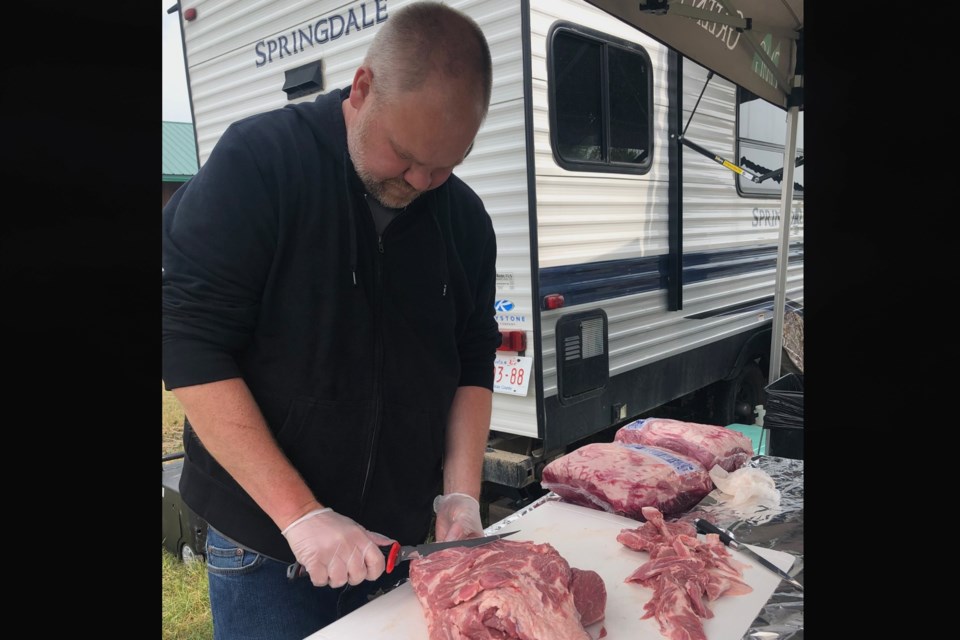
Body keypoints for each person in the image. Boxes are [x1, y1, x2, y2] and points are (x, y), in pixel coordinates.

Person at [161, 3, 500, 638]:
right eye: (406, 154)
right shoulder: (260, 164)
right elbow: (186, 340)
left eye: (450, 161)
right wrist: (301, 516)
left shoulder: (465, 220)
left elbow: (473, 356)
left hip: (397, 543)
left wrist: (460, 494)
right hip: (269, 549)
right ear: (363, 86)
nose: (424, 180)